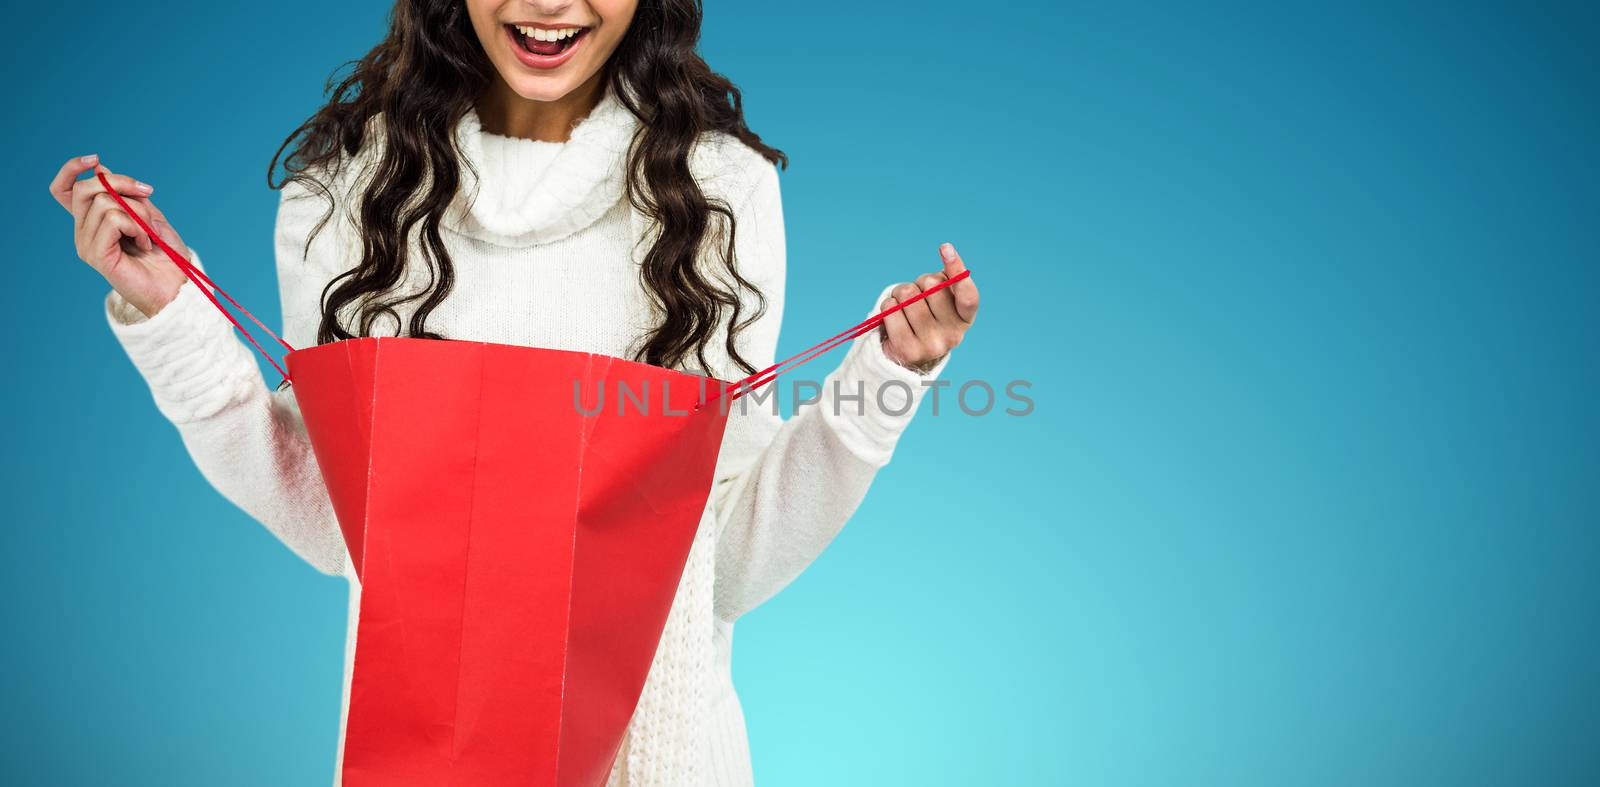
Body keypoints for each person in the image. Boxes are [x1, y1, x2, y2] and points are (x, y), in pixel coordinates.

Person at [48, 1, 980, 784]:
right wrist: (172, 315)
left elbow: (717, 565)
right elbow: (344, 529)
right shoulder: (347, 198)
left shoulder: (718, 195)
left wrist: (884, 382)